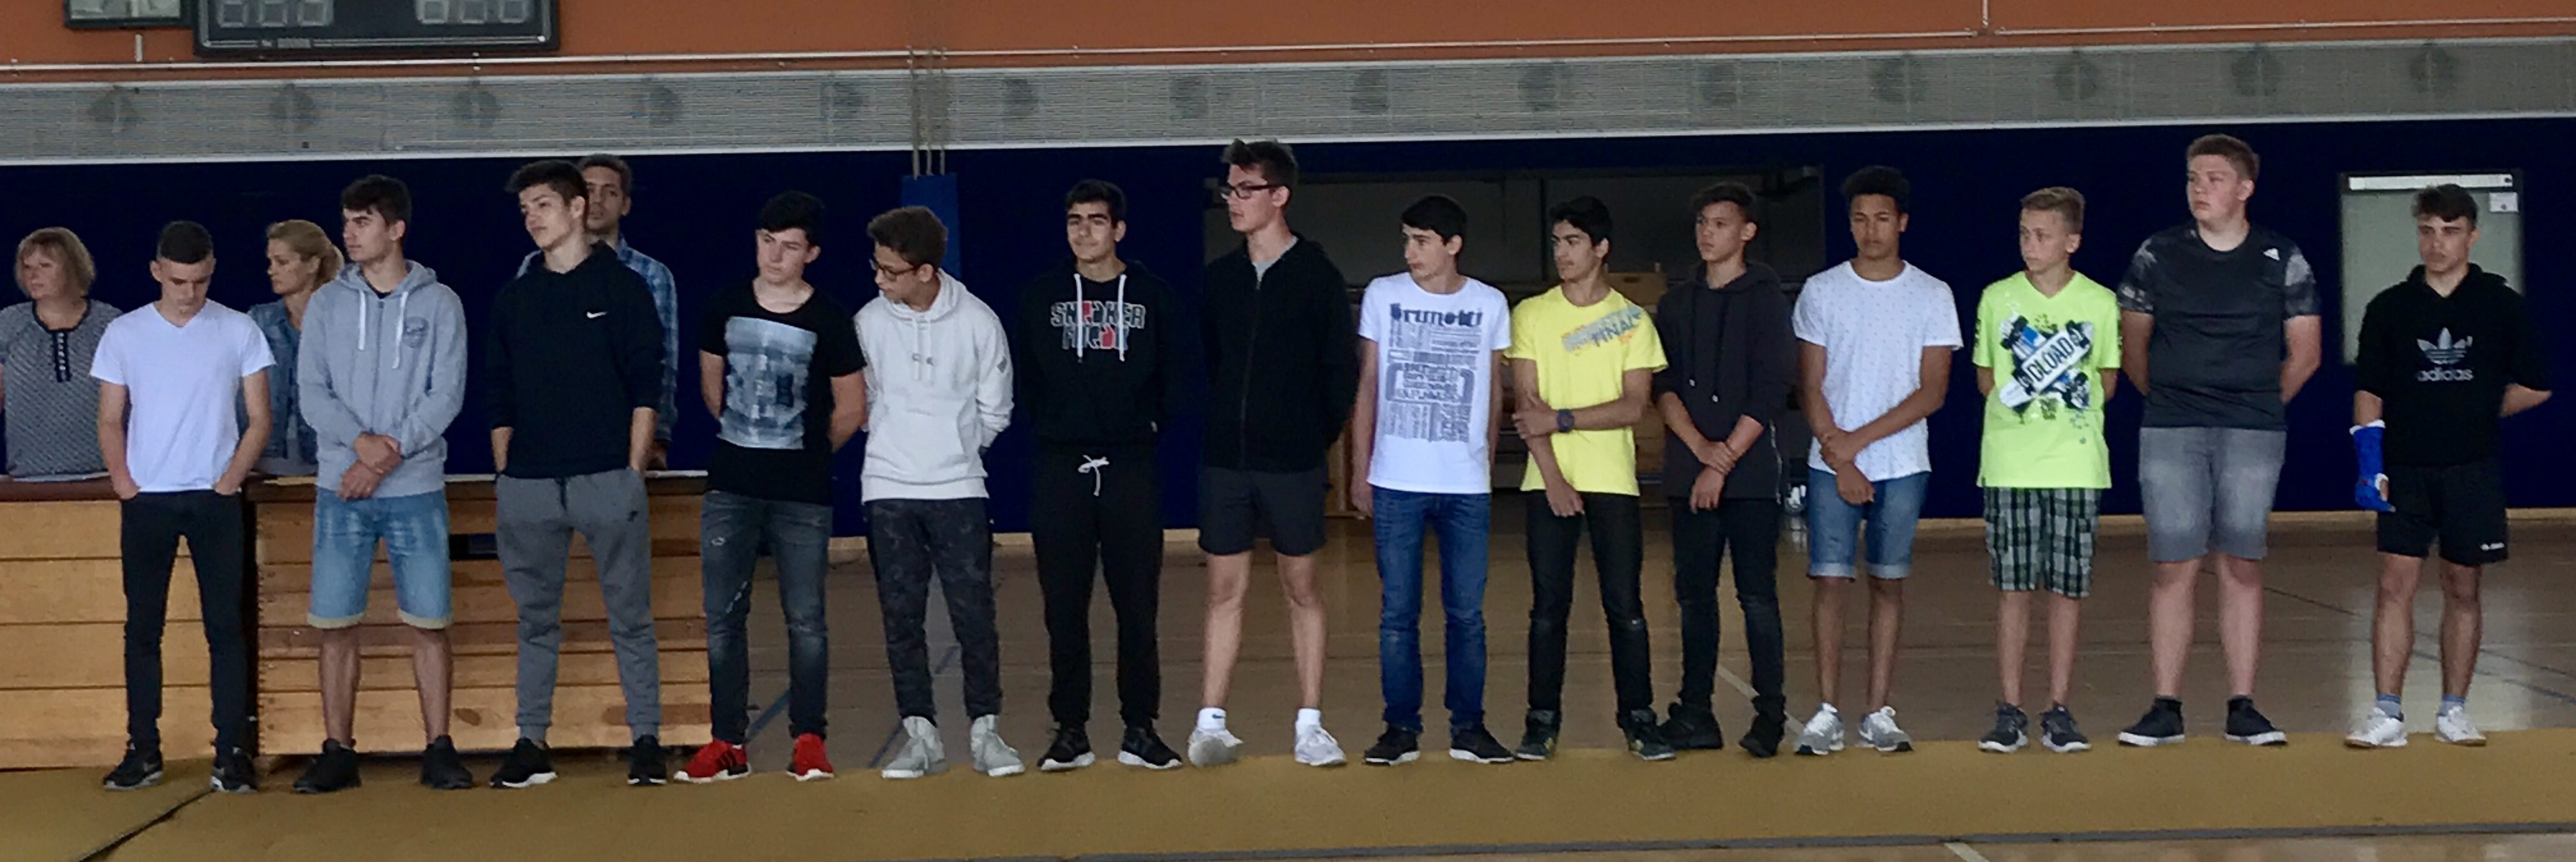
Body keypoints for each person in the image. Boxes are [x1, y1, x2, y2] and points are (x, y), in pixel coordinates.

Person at [2113, 134, 2322, 748]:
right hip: (2172, 428)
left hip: (2252, 429)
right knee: (2172, 565)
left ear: (2245, 189)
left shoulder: (2283, 256)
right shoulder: (2157, 253)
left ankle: (2243, 706)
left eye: (2213, 179)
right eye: (2192, 179)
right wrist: (2173, 399)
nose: (2199, 189)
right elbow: (2133, 346)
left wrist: (2257, 404)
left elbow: (2305, 352)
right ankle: (2165, 707)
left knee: (2242, 563)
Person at [482, 160, 670, 789]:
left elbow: (647, 385)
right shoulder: (515, 299)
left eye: (543, 205)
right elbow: (499, 394)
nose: (532, 218)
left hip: (606, 478)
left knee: (631, 616)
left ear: (577, 209)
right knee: (535, 621)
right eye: (524, 210)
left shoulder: (625, 289)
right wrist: (507, 473)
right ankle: (531, 741)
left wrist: (632, 470)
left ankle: (646, 739)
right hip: (531, 485)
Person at [2344, 184, 2552, 749]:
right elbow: (2369, 391)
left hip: (2471, 468)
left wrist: (2476, 409)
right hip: (2405, 467)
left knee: (2464, 586)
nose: (2438, 243)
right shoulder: (2389, 307)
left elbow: (2537, 385)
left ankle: (2453, 710)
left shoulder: (2501, 305)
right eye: (2428, 231)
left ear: (2472, 236)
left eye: (2450, 232)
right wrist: (2369, 462)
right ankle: (2387, 711)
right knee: (2394, 583)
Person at [288, 175, 475, 793]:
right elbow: (312, 391)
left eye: (363, 221)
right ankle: (338, 749)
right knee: (335, 622)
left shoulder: (439, 303)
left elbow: (446, 394)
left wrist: (384, 455)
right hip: (341, 487)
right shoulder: (327, 305)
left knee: (430, 621)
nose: (349, 233)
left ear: (396, 229)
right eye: (346, 221)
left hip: (413, 486)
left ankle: (439, 747)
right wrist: (361, 446)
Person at [674, 192, 863, 785]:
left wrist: (806, 454)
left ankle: (809, 739)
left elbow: (851, 407)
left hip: (802, 494)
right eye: (766, 242)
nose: (775, 256)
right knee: (723, 618)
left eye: (789, 246)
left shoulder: (830, 319)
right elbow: (712, 388)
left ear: (812, 253)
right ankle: (727, 741)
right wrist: (749, 439)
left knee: (805, 619)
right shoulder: (724, 306)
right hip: (732, 485)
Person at [1190, 139, 1360, 769]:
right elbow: (1213, 360)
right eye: (1229, 190)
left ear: (1279, 195)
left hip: (1293, 462)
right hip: (1226, 461)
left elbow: (1339, 373)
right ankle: (1210, 723)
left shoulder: (1318, 276)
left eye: (1246, 189)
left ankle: (1310, 724)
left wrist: (1308, 438)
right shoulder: (1220, 279)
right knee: (1223, 589)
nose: (1233, 201)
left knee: (1302, 586)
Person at [1013, 180, 1188, 773]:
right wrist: (1060, 427)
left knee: (1136, 606)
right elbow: (1028, 378)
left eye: (1095, 220)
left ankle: (1140, 727)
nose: (1083, 231)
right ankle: (1071, 730)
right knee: (1064, 607)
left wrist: (1147, 425)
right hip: (1061, 467)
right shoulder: (1041, 296)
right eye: (1074, 220)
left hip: (1131, 467)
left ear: (1119, 230)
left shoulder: (1153, 296)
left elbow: (1176, 375)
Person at [95, 221, 273, 794]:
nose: (189, 293)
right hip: (147, 497)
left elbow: (260, 418)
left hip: (214, 497)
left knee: (225, 627)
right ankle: (143, 749)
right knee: (143, 628)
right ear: (157, 272)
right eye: (177, 281)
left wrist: (230, 480)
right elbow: (109, 418)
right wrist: (125, 482)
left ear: (212, 271)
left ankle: (232, 752)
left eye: (199, 281)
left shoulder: (238, 329)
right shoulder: (125, 333)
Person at [1790, 166, 1959, 757]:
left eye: (1882, 219)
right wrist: (1839, 455)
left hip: (1901, 462)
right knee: (1830, 581)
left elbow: (1932, 391)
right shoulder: (1822, 291)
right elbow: (1811, 385)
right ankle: (1826, 711)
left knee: (1888, 583)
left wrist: (1856, 444)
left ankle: (1878, 710)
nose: (1871, 230)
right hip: (1831, 462)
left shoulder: (1933, 295)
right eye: (1860, 219)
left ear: (1902, 223)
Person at [855, 206, 1022, 780]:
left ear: (925, 271)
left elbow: (996, 409)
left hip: (959, 490)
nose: (880, 280)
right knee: (900, 617)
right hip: (888, 489)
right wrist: (896, 448)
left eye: (891, 271)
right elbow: (864, 401)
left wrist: (956, 451)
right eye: (877, 268)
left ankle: (986, 734)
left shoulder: (978, 322)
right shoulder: (867, 323)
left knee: (974, 615)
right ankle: (920, 736)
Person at [1349, 195, 1515, 767]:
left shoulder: (1489, 303)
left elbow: (1493, 391)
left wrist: (1484, 463)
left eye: (1421, 241)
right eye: (1407, 240)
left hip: (1465, 484)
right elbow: (1368, 385)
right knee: (1398, 614)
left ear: (1453, 245)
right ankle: (1400, 728)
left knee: (1467, 615)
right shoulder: (1383, 295)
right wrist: (1361, 470)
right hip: (1397, 479)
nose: (1410, 252)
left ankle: (1469, 727)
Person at [1508, 196, 1673, 762]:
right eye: (1557, 242)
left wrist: (1563, 419)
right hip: (1546, 481)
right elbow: (1526, 408)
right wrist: (1553, 477)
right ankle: (1541, 720)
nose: (1562, 253)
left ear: (1601, 249)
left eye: (1574, 242)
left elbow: (1633, 406)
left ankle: (1639, 718)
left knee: (1625, 607)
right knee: (1547, 609)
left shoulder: (1632, 320)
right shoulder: (1531, 315)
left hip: (1613, 480)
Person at [1970, 187, 2120, 755]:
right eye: (2024, 234)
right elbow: (1987, 377)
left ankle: (2059, 707)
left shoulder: (2100, 303)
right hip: (2010, 464)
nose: (2030, 245)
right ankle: (2009, 710)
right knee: (2013, 589)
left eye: (2042, 235)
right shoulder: (1997, 298)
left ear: (2072, 241)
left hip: (2076, 465)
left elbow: (2107, 380)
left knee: (2066, 589)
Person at [1652, 182, 1795, 757]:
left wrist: (1725, 460)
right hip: (1690, 470)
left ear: (1747, 231)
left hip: (1751, 476)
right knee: (1694, 598)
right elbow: (1662, 384)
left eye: (1720, 223)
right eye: (1702, 224)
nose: (1707, 234)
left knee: (1757, 597)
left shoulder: (1767, 299)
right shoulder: (1676, 303)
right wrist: (1699, 451)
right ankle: (1695, 714)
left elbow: (1770, 389)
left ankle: (1770, 715)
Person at [517, 153, 680, 468]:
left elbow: (662, 365)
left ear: (626, 205)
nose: (598, 200)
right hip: (549, 440)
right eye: (589, 189)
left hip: (625, 438)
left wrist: (657, 439)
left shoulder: (650, 274)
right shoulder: (533, 267)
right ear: (575, 201)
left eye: (611, 192)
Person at [2, 228, 118, 481]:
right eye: (27, 267)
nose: (33, 275)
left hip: (104, 477)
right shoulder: (8, 325)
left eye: (45, 266)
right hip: (28, 479)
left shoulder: (110, 325)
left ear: (72, 268)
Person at [244, 220, 337, 478]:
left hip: (330, 459)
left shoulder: (344, 322)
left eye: (282, 262)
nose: (271, 270)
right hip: (264, 462)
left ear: (313, 264)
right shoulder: (259, 321)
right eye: (271, 262)